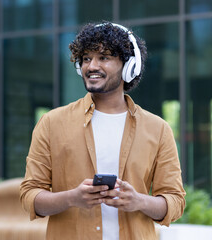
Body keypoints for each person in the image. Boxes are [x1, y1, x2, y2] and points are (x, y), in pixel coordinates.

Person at [20, 21, 185, 240]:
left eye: (103, 58)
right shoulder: (52, 123)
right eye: (86, 59)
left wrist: (139, 201)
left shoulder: (158, 129)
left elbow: (175, 202)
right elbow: (30, 196)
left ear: (128, 66)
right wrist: (72, 198)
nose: (91, 66)